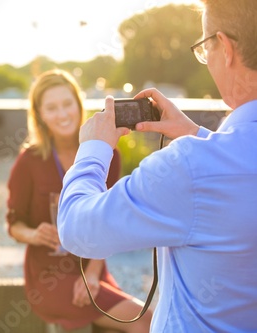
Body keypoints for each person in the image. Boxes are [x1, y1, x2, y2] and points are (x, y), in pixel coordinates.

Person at [58, 1, 257, 332]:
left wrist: (93, 148)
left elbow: (77, 227)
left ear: (225, 48)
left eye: (205, 47)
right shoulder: (209, 162)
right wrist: (198, 135)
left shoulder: (190, 168)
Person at [6, 69, 152, 333]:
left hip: (92, 266)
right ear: (39, 114)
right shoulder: (28, 162)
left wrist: (94, 273)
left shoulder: (106, 152)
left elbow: (107, 222)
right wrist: (34, 234)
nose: (62, 114)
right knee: (145, 321)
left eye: (67, 104)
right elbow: (14, 224)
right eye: (51, 108)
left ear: (78, 104)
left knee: (141, 319)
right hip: (49, 277)